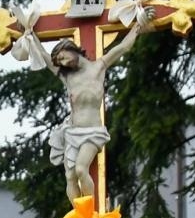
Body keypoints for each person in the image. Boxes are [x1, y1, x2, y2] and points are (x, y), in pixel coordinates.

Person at [30, 17, 145, 202]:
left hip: (93, 132)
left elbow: (123, 47)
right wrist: (30, 34)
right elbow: (43, 55)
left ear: (70, 48)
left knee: (81, 169)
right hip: (73, 132)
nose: (64, 62)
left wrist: (138, 26)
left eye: (63, 56)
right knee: (70, 176)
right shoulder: (67, 77)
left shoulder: (99, 67)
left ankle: (89, 215)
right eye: (60, 61)